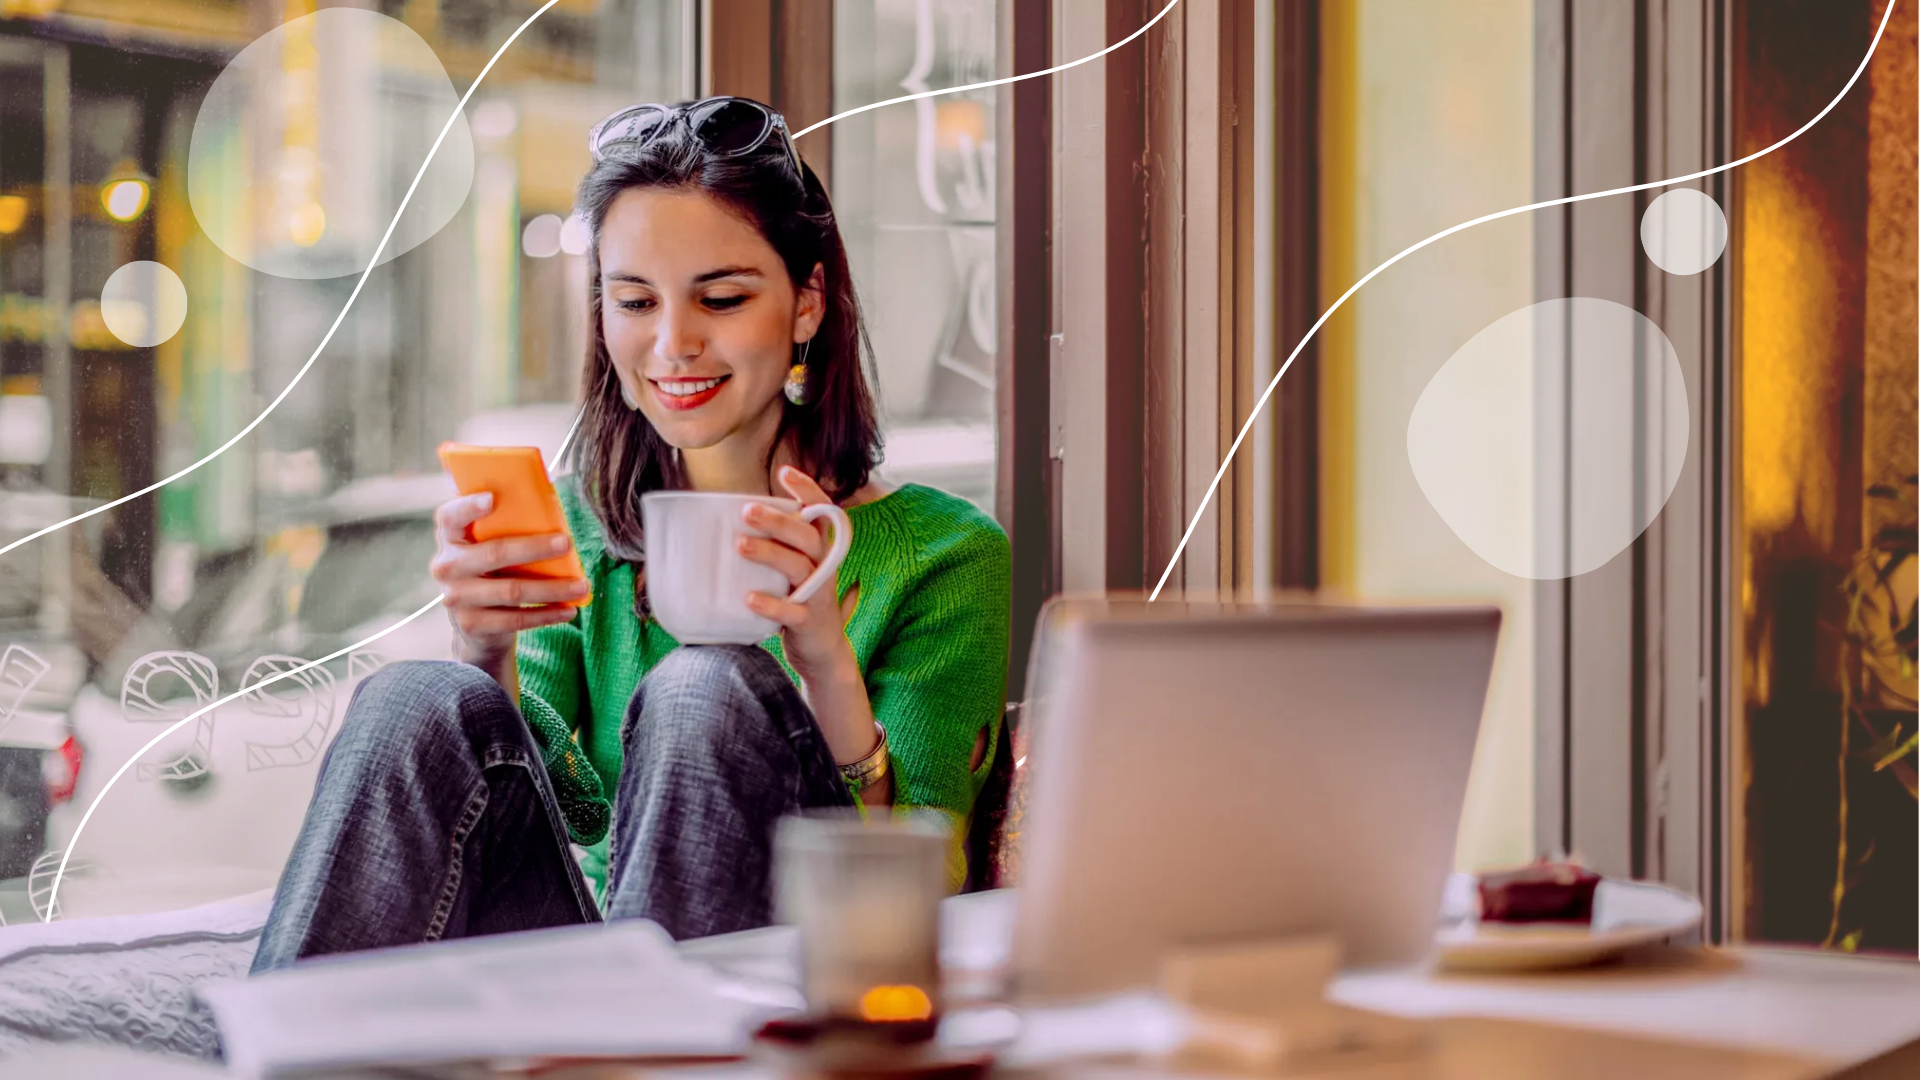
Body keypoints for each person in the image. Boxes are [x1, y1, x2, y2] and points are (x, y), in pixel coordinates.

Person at [251, 97, 1010, 968]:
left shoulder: (946, 555)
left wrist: (826, 664)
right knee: (416, 692)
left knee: (705, 685)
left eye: (720, 298)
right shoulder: (580, 524)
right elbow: (564, 811)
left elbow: (914, 888)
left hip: (784, 967)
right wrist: (483, 653)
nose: (673, 344)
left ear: (806, 304)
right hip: (587, 961)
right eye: (635, 301)